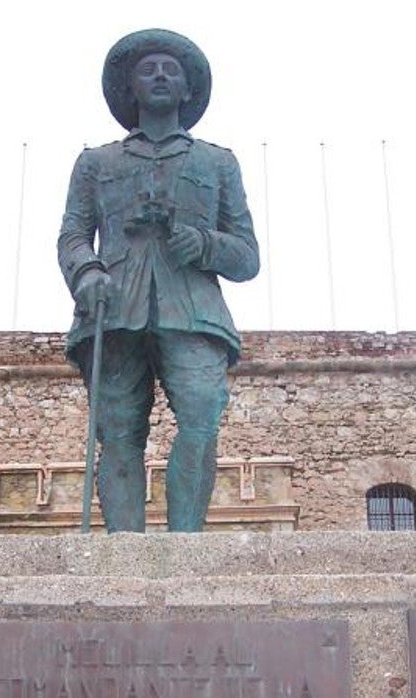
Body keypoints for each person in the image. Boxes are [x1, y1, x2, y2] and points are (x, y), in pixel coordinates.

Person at [57, 28, 259, 532]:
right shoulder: (95, 164)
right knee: (119, 431)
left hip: (193, 313)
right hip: (114, 310)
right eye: (149, 69)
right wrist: (87, 273)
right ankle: (125, 555)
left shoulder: (218, 163)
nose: (162, 75)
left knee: (201, 419)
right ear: (131, 88)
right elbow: (73, 236)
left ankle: (184, 547)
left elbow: (248, 257)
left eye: (172, 69)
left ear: (188, 89)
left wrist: (204, 244)